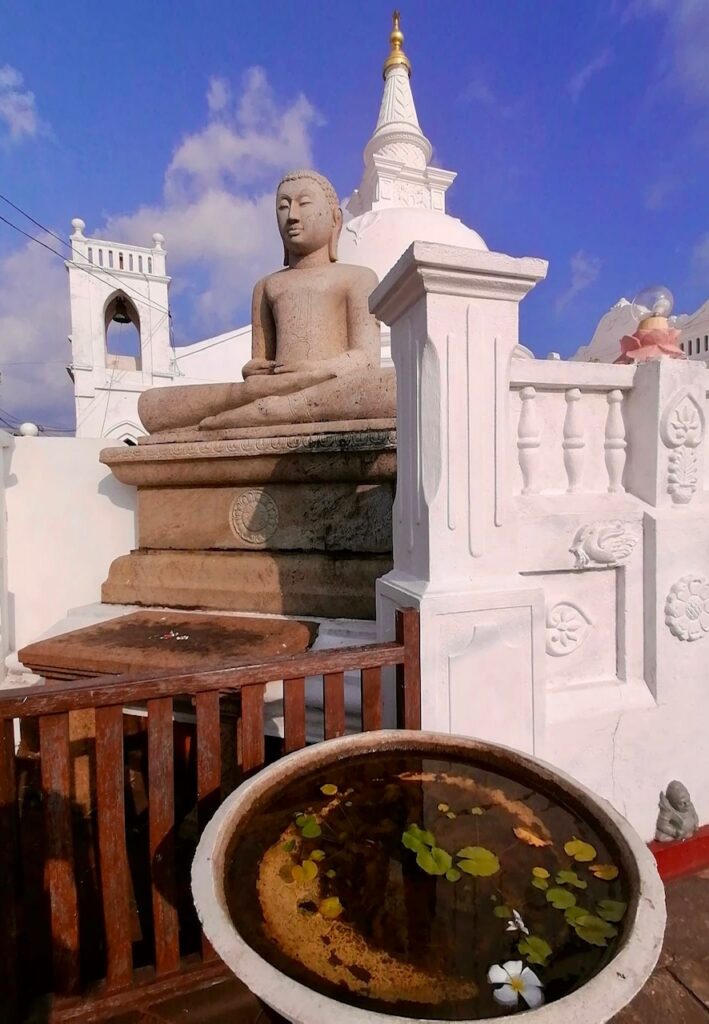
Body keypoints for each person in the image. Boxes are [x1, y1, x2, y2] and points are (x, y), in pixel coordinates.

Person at [138, 169, 394, 434]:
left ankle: (264, 412)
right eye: (283, 207)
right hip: (273, 388)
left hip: (330, 384)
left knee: (387, 387)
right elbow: (258, 365)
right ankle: (268, 409)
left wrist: (315, 371)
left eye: (304, 203)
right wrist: (256, 370)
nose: (292, 216)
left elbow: (365, 359)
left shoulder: (358, 278)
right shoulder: (266, 286)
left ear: (335, 219)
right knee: (153, 404)